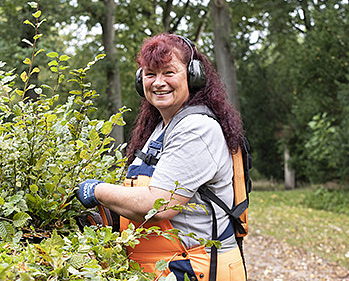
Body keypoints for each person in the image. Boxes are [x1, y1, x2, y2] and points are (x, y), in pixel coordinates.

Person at [76, 33, 247, 281]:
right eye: (150, 74)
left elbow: (159, 204)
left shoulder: (197, 129)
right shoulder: (160, 128)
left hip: (197, 267)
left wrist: (96, 191)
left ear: (192, 76)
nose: (158, 82)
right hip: (166, 268)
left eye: (169, 72)